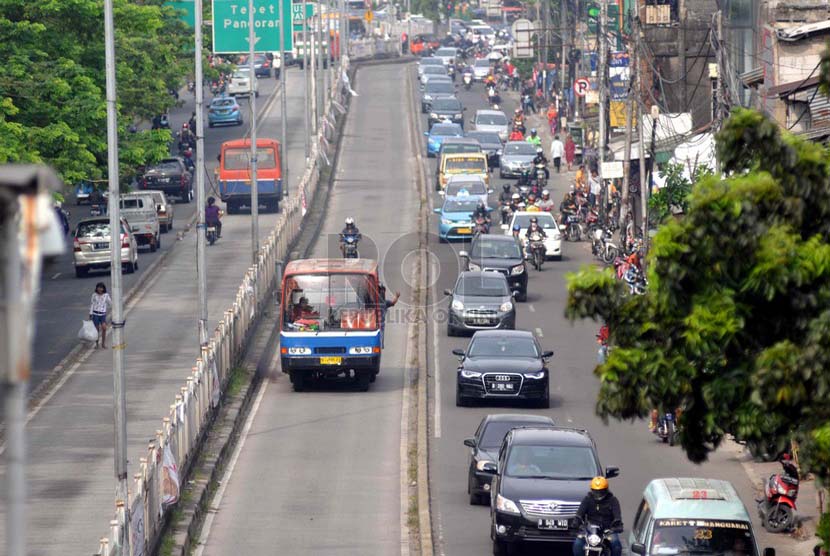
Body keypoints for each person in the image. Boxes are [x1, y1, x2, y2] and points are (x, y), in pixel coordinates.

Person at [572, 477, 624, 556]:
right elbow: (579, 513)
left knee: (616, 544)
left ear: (606, 490)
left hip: (607, 530)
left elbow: (617, 516)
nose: (598, 494)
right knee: (577, 544)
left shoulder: (613, 500)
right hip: (589, 530)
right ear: (592, 490)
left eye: (601, 491)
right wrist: (576, 522)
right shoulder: (587, 499)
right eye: (596, 491)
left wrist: (617, 525)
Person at [89, 282, 112, 349]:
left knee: (104, 328)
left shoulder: (106, 295)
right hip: (95, 314)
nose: (100, 289)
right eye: (98, 287)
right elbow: (92, 304)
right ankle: (96, 344)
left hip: (102, 314)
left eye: (101, 288)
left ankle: (103, 344)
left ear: (103, 288)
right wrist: (90, 314)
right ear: (96, 288)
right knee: (96, 330)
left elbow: (110, 303)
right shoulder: (94, 295)